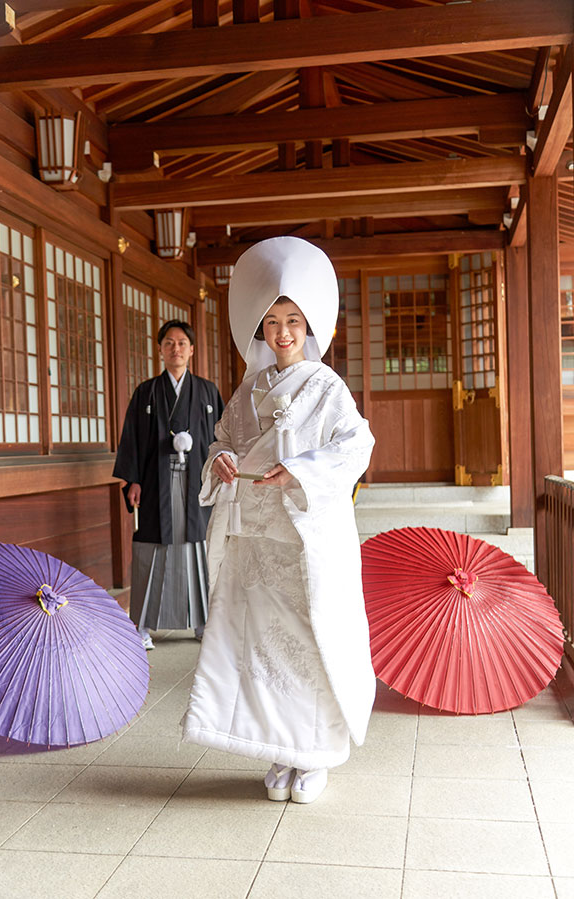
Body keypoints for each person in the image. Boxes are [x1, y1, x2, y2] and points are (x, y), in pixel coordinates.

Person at [181, 237, 376, 804]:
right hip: (256, 542)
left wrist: (300, 472)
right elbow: (225, 439)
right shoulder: (248, 389)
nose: (283, 332)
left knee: (308, 642)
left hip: (302, 539)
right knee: (262, 646)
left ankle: (313, 754)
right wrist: (220, 459)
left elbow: (356, 445)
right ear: (259, 327)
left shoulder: (325, 386)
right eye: (272, 321)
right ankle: (278, 747)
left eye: (293, 320)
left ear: (310, 325)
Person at [113, 320, 224, 650]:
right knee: (151, 548)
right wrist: (132, 479)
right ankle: (144, 624)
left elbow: (220, 440)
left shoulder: (206, 392)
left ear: (191, 350)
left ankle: (202, 622)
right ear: (160, 349)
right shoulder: (146, 392)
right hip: (154, 482)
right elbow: (132, 438)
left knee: (198, 549)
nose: (176, 349)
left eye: (182, 343)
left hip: (197, 483)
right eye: (169, 343)